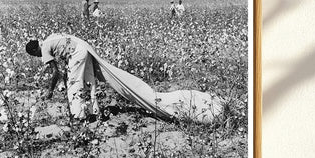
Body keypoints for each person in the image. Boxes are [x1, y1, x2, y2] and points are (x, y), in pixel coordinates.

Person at [26, 33, 223, 122]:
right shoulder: (51, 37)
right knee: (89, 82)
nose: (39, 58)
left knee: (74, 85)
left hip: (78, 52)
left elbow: (56, 72)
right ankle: (93, 111)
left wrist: (50, 91)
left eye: (35, 55)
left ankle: (78, 116)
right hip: (83, 48)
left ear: (35, 50)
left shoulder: (43, 48)